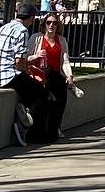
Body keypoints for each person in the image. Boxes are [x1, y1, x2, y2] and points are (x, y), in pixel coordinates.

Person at [0, 2, 48, 144]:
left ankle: (24, 109)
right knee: (41, 92)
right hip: (9, 76)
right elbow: (18, 61)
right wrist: (26, 69)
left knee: (29, 88)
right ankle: (24, 127)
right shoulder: (22, 31)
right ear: (31, 18)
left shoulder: (4, 27)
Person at [28, 12, 74, 142]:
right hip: (38, 74)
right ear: (44, 25)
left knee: (60, 98)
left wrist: (69, 76)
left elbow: (65, 61)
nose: (51, 25)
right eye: (49, 23)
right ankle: (37, 132)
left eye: (54, 23)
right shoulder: (36, 38)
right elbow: (26, 58)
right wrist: (36, 56)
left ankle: (54, 130)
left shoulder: (62, 40)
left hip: (54, 76)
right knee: (44, 99)